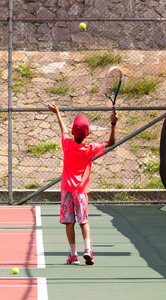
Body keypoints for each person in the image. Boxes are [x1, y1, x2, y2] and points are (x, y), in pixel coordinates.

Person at [47, 103, 118, 265]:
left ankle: (73, 255)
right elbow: (111, 142)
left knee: (69, 222)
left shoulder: (67, 144)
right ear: (86, 134)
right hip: (81, 191)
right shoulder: (89, 148)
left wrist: (57, 112)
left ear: (73, 132)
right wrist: (113, 123)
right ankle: (87, 249)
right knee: (83, 221)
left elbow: (62, 130)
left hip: (66, 190)